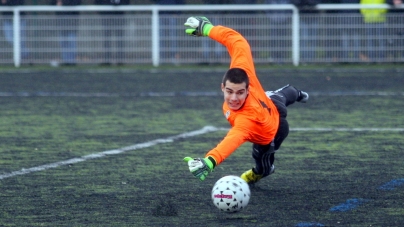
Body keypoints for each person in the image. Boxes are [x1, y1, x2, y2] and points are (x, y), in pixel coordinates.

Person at [182, 17, 309, 184]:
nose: (234, 98)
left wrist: (209, 161)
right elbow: (237, 41)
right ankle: (297, 94)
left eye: (240, 93)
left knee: (264, 167)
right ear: (222, 87)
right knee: (284, 95)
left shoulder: (247, 120)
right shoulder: (242, 70)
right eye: (229, 92)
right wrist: (207, 29)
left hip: (271, 132)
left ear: (247, 90)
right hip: (268, 101)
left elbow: (231, 141)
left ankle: (259, 171)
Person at [94, 0, 130, 65]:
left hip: (119, 14)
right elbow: (97, 2)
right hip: (106, 14)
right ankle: (106, 59)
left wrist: (120, 6)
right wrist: (102, 9)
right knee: (107, 38)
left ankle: (120, 60)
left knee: (120, 38)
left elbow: (126, 2)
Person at [152, 0, 185, 64]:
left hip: (172, 14)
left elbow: (182, 2)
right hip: (160, 13)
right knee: (160, 38)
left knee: (173, 38)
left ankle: (174, 57)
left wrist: (178, 12)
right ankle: (161, 58)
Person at [51, 0, 81, 66]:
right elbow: (52, 3)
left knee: (71, 39)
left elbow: (77, 2)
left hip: (72, 17)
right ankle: (66, 60)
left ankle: (72, 61)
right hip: (60, 17)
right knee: (63, 40)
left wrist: (63, 3)